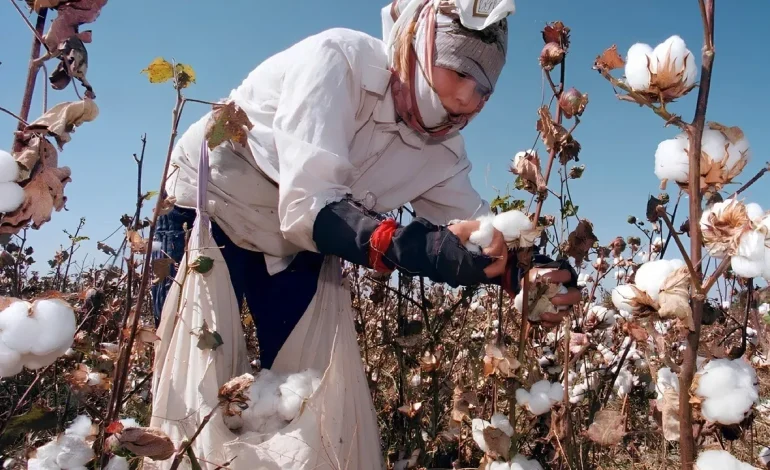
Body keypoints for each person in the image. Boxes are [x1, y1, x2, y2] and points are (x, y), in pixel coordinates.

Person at [151, 0, 581, 371]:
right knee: (196, 366)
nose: (469, 97)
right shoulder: (338, 60)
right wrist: (419, 249)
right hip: (210, 206)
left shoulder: (445, 152)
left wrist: (529, 268)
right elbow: (309, 206)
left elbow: (478, 228)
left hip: (297, 242)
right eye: (457, 68)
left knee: (297, 386)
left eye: (485, 84)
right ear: (416, 41)